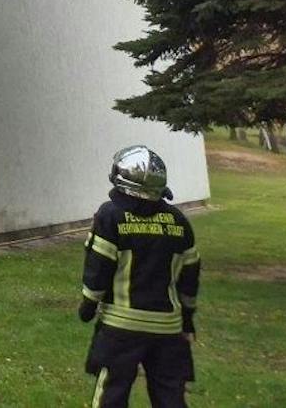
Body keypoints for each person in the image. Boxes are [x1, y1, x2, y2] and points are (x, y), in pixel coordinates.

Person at [78, 145, 200, 407]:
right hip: (168, 329)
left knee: (113, 391)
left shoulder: (110, 216)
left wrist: (88, 304)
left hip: (121, 328)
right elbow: (190, 279)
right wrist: (187, 319)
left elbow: (98, 267)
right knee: (170, 395)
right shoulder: (179, 221)